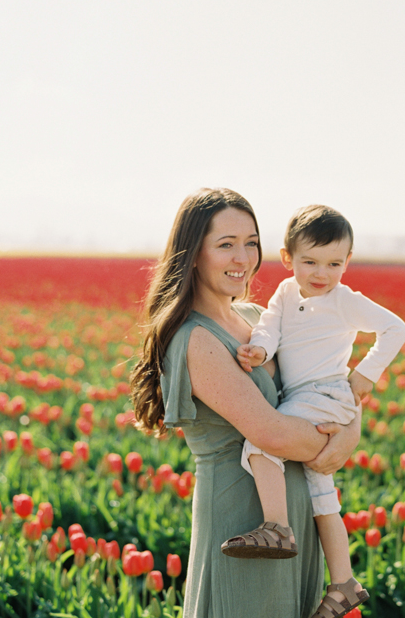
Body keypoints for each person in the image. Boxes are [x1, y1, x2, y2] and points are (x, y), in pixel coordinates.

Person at [129, 188, 362, 618]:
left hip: (295, 521)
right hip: (243, 524)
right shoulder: (194, 338)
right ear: (194, 254)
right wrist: (337, 446)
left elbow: (331, 378)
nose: (242, 258)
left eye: (250, 243)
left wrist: (351, 429)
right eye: (225, 245)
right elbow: (268, 431)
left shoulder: (260, 321)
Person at [224, 205, 405, 618]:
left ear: (347, 262)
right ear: (288, 258)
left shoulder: (345, 301)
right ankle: (344, 583)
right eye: (309, 261)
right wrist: (261, 348)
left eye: (334, 263)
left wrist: (366, 373)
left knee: (261, 441)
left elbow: (397, 328)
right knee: (323, 496)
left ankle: (277, 527)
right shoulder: (286, 293)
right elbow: (270, 325)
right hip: (308, 397)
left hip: (325, 393)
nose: (321, 273)